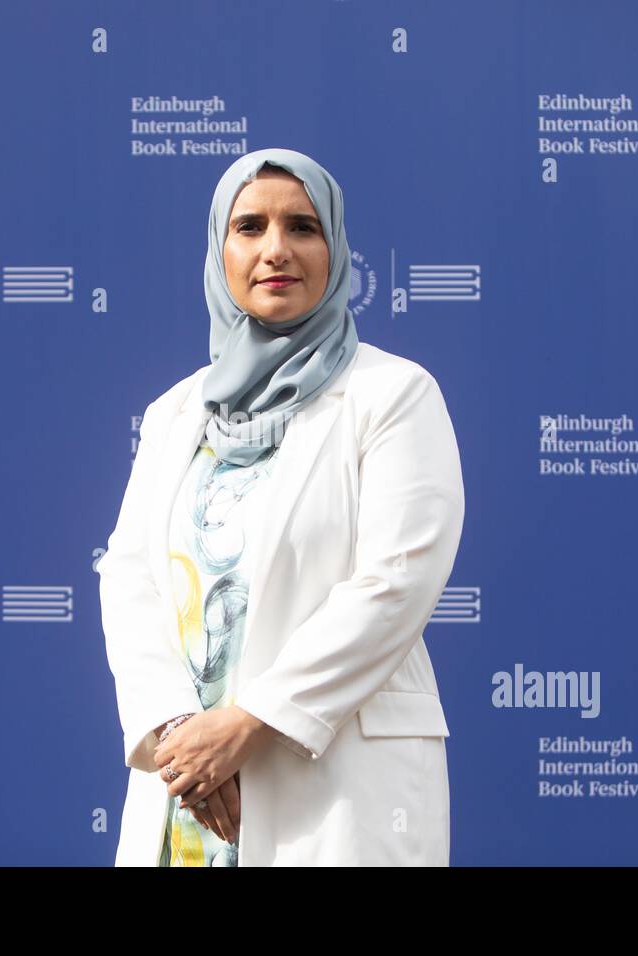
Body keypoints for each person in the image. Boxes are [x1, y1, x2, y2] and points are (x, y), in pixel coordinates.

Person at [98, 147, 465, 866]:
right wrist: (179, 732)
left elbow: (395, 582)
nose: (276, 250)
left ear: (336, 247)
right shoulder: (177, 410)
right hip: (191, 790)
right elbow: (130, 576)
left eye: (302, 226)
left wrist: (246, 723)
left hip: (334, 789)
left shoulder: (394, 395)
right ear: (219, 250)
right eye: (249, 227)